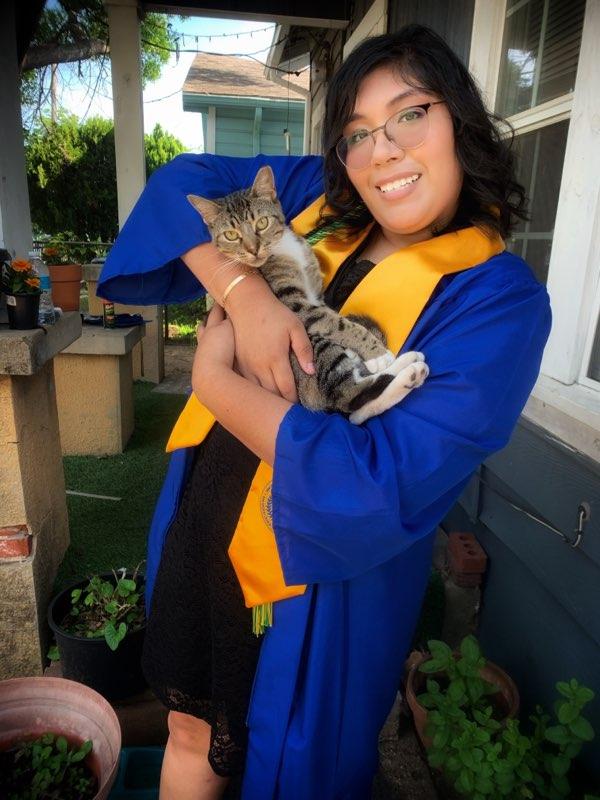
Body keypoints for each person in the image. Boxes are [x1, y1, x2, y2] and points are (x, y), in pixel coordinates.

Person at [98, 25, 551, 800]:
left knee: (279, 763)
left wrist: (212, 382)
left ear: (461, 121)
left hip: (309, 573)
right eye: (357, 133)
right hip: (204, 509)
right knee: (187, 727)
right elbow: (177, 187)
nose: (383, 151)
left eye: (411, 113)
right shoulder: (321, 196)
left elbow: (373, 484)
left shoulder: (498, 300)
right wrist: (242, 299)